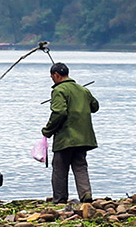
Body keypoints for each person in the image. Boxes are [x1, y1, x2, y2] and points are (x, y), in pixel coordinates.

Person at [41, 61, 99, 211]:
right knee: (80, 166)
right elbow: (95, 107)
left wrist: (47, 130)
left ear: (56, 75)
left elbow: (59, 112)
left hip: (66, 137)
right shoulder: (82, 90)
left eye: (52, 77)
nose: (52, 79)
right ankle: (86, 195)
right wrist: (81, 96)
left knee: (60, 167)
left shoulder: (59, 91)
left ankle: (59, 199)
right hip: (84, 136)